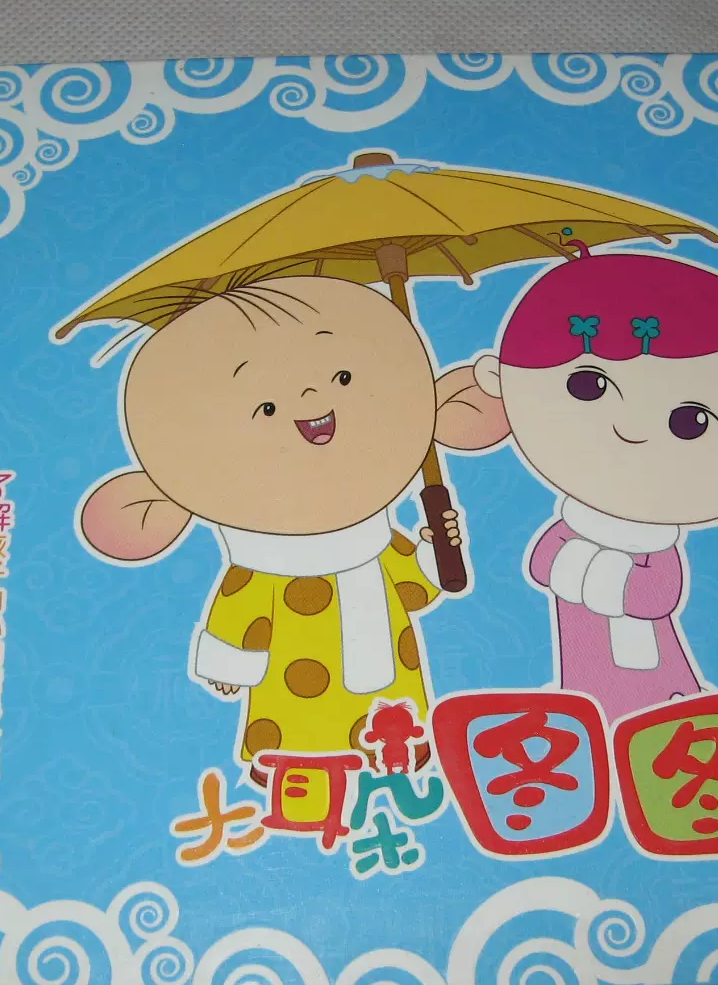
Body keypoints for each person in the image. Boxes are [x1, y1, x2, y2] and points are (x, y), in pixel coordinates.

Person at [78, 276, 507, 776]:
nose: (310, 396)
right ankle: (298, 777)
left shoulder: (376, 539)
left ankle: (399, 764)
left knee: (395, 732)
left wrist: (437, 553)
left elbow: (415, 589)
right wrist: (229, 667)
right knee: (304, 750)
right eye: (267, 408)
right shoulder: (261, 569)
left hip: (394, 712)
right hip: (294, 720)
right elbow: (238, 618)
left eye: (342, 377)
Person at [470, 245, 718, 722]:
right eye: (590, 385)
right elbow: (543, 563)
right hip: (581, 680)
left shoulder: (652, 547)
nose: (631, 429)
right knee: (588, 692)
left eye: (692, 422)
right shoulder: (574, 526)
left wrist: (604, 574)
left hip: (660, 692)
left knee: (661, 713)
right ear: (497, 377)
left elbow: (653, 597)